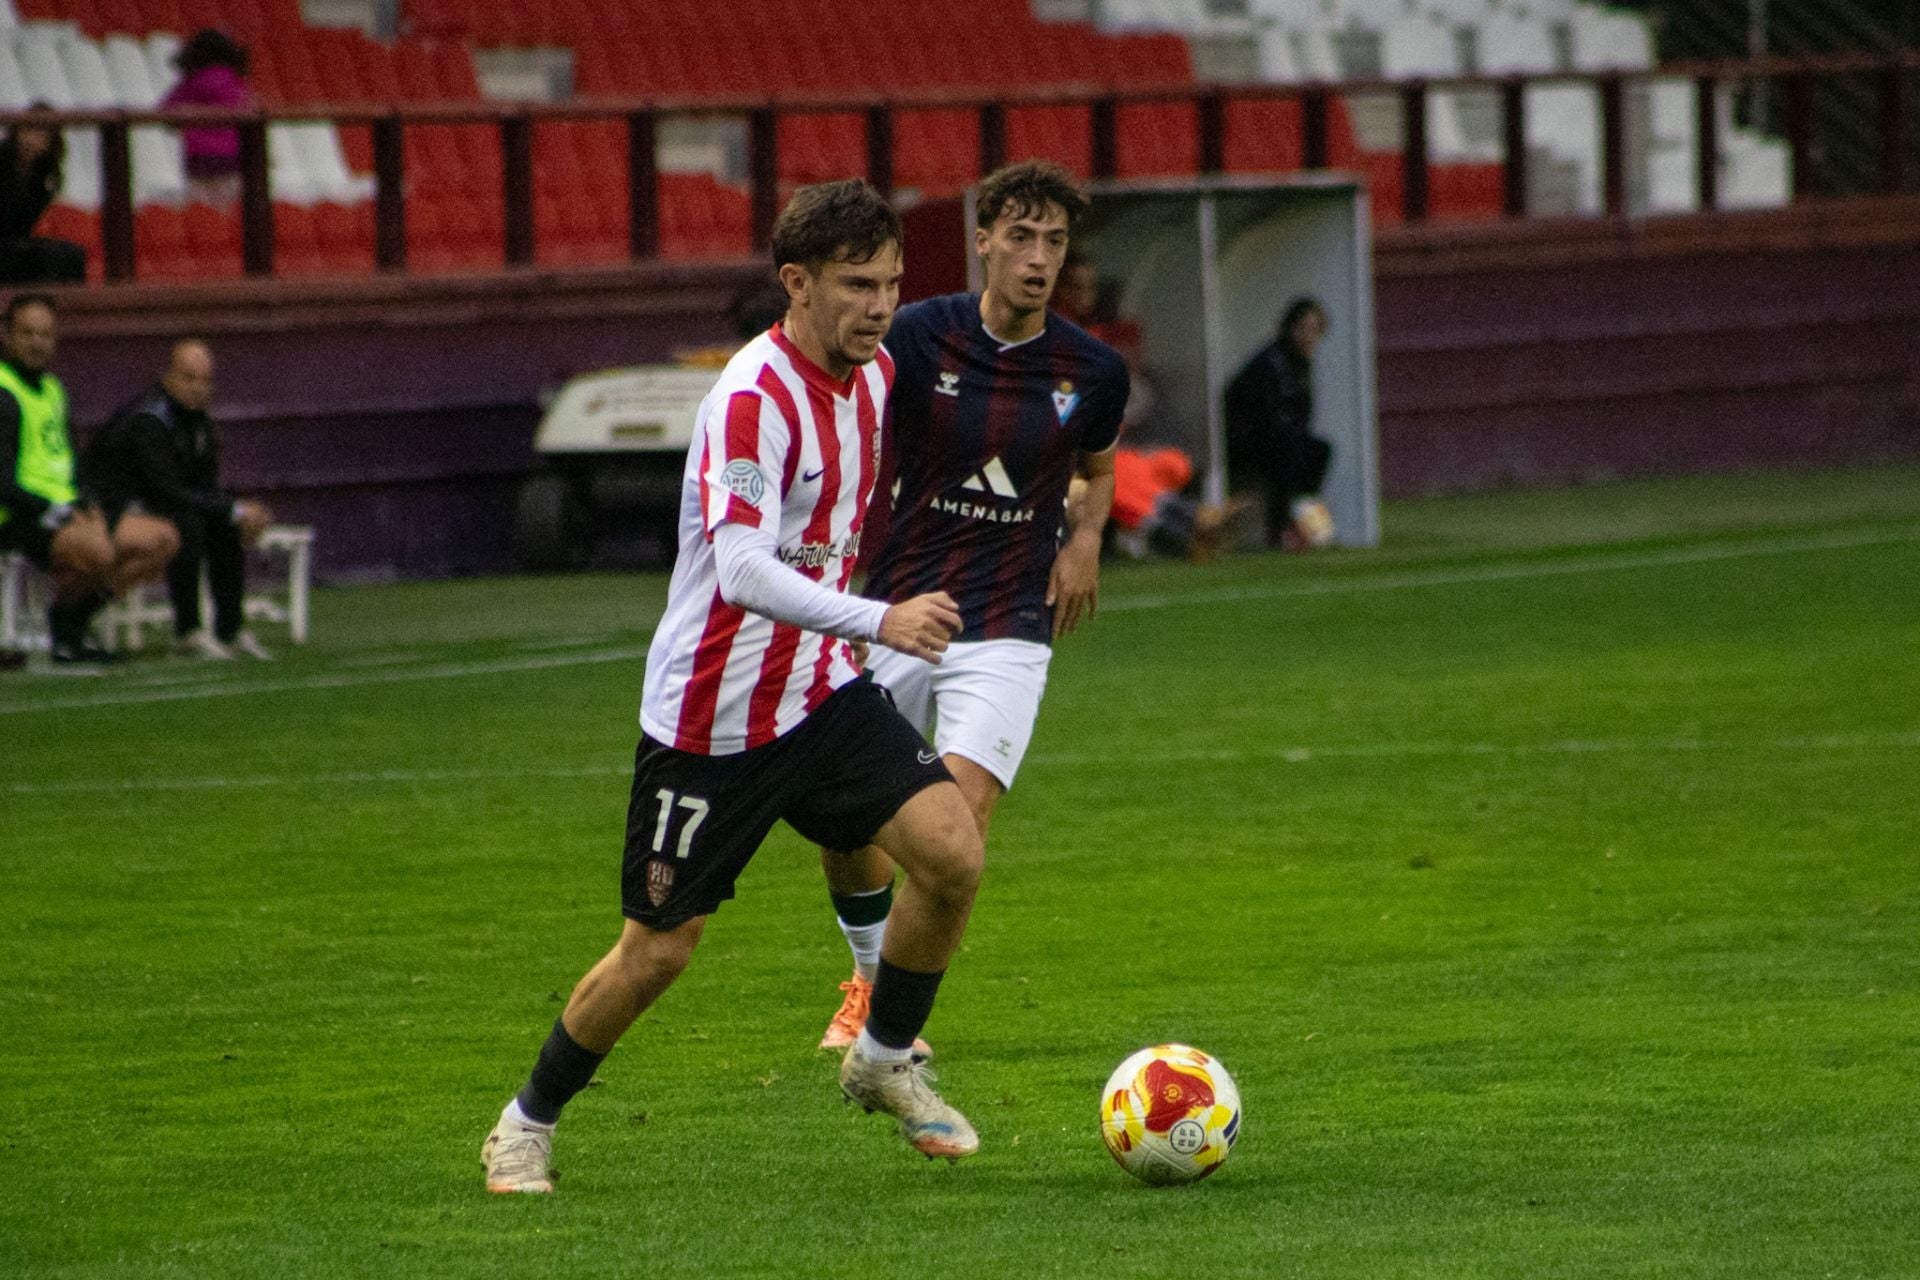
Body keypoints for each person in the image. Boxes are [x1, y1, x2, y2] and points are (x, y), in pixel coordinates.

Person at [481, 179, 987, 1194]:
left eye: (891, 283)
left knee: (952, 852)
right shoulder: (751, 398)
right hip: (713, 719)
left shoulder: (880, 376)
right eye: (856, 284)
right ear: (795, 283)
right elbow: (746, 568)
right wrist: (882, 618)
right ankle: (525, 1121)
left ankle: (885, 1055)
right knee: (658, 952)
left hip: (822, 691)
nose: (879, 305)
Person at [813, 160, 1127, 1051]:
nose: (1038, 259)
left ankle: (890, 1028)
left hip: (1008, 625)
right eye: (1020, 237)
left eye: (1054, 243)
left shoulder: (1092, 370)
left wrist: (1086, 541)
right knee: (846, 821)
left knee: (959, 820)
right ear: (981, 239)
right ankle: (870, 977)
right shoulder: (915, 336)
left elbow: (1099, 470)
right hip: (899, 612)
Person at [0, 294, 175, 665]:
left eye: (45, 334)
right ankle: (63, 632)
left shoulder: (53, 390)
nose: (37, 343)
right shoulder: (3, 392)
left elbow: (68, 462)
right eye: (27, 333)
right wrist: (51, 509)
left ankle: (70, 624)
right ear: (7, 336)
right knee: (99, 551)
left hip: (66, 509)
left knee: (160, 541)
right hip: (21, 515)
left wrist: (88, 503)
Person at [81, 339, 275, 660]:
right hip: (111, 507)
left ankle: (230, 629)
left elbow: (205, 485)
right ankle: (188, 631)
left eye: (205, 380)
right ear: (168, 377)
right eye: (189, 378)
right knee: (188, 525)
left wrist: (237, 512)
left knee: (223, 524)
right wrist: (232, 508)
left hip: (154, 505)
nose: (198, 388)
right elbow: (164, 489)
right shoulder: (150, 420)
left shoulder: (198, 422)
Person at [1224, 295, 1335, 550]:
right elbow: (1263, 414)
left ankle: (1306, 523)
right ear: (1290, 328)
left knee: (1318, 450)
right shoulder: (1271, 363)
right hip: (1244, 442)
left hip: (1277, 441)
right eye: (1303, 328)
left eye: (1315, 329)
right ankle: (1282, 532)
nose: (1309, 336)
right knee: (1286, 453)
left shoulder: (1301, 365)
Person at [161, 30, 255, 208]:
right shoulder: (234, 81)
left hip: (198, 157)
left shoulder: (191, 83)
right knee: (231, 212)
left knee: (202, 212)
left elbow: (166, 111)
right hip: (232, 156)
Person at [0, 108, 86, 285]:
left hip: (16, 243)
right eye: (28, 131)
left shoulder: (43, 175)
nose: (32, 141)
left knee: (71, 253)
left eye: (42, 136)